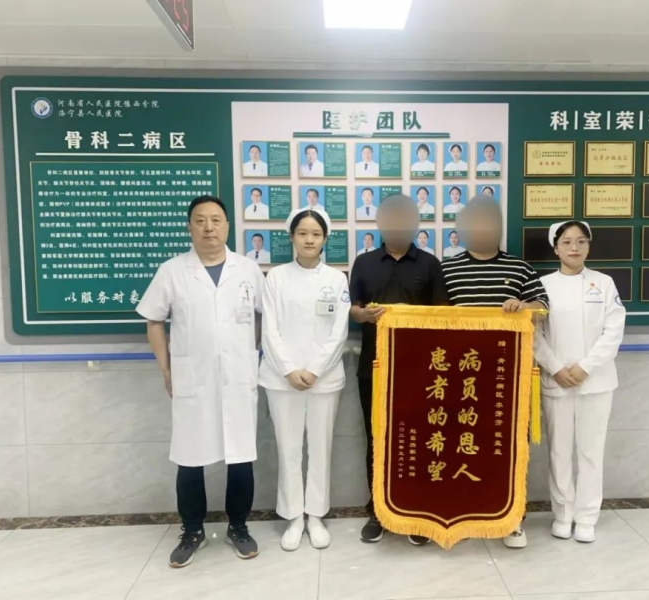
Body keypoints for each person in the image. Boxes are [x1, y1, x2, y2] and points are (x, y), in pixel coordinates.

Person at [137, 195, 264, 568]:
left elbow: (261, 316)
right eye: (200, 220)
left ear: (227, 226)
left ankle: (238, 527)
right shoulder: (172, 271)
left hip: (238, 377)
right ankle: (192, 531)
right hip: (193, 379)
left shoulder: (248, 269)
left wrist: (249, 352)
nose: (209, 227)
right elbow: (154, 321)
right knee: (190, 456)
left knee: (240, 455)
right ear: (190, 227)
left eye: (216, 220)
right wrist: (166, 369)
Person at [441, 195, 549, 549]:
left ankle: (511, 518)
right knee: (460, 445)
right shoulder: (446, 269)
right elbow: (429, 317)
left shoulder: (520, 268)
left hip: (507, 376)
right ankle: (465, 512)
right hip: (459, 378)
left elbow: (543, 307)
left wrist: (524, 305)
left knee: (508, 446)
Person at [349, 194, 449, 546]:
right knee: (377, 438)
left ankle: (415, 511)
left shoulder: (431, 264)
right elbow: (353, 308)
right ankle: (378, 510)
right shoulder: (363, 262)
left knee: (419, 439)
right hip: (373, 368)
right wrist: (362, 315)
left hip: (420, 372)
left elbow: (443, 315)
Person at [260, 208, 350, 551]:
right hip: (282, 379)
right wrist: (289, 369)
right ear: (292, 237)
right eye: (302, 233)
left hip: (323, 379)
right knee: (289, 448)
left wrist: (314, 369)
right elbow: (269, 329)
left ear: (325, 238)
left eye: (316, 233)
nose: (309, 239)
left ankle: (315, 515)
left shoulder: (337, 279)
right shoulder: (276, 277)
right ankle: (294, 516)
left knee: (320, 448)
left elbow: (339, 332)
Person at [534, 220, 626, 544]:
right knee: (559, 453)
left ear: (588, 246)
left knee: (590, 452)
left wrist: (586, 367)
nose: (574, 247)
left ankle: (586, 518)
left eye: (581, 241)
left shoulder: (604, 283)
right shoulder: (542, 285)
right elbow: (535, 334)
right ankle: (563, 515)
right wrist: (557, 368)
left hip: (596, 382)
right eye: (567, 242)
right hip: (556, 381)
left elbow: (613, 331)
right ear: (555, 248)